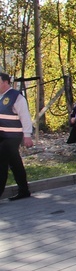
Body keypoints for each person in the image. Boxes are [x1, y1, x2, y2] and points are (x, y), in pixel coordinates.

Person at [0, 73, 34, 201]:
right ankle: (24, 190)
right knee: (15, 163)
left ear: (5, 82)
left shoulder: (16, 97)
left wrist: (27, 135)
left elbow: (25, 117)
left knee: (1, 163)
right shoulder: (0, 97)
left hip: (12, 136)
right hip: (2, 136)